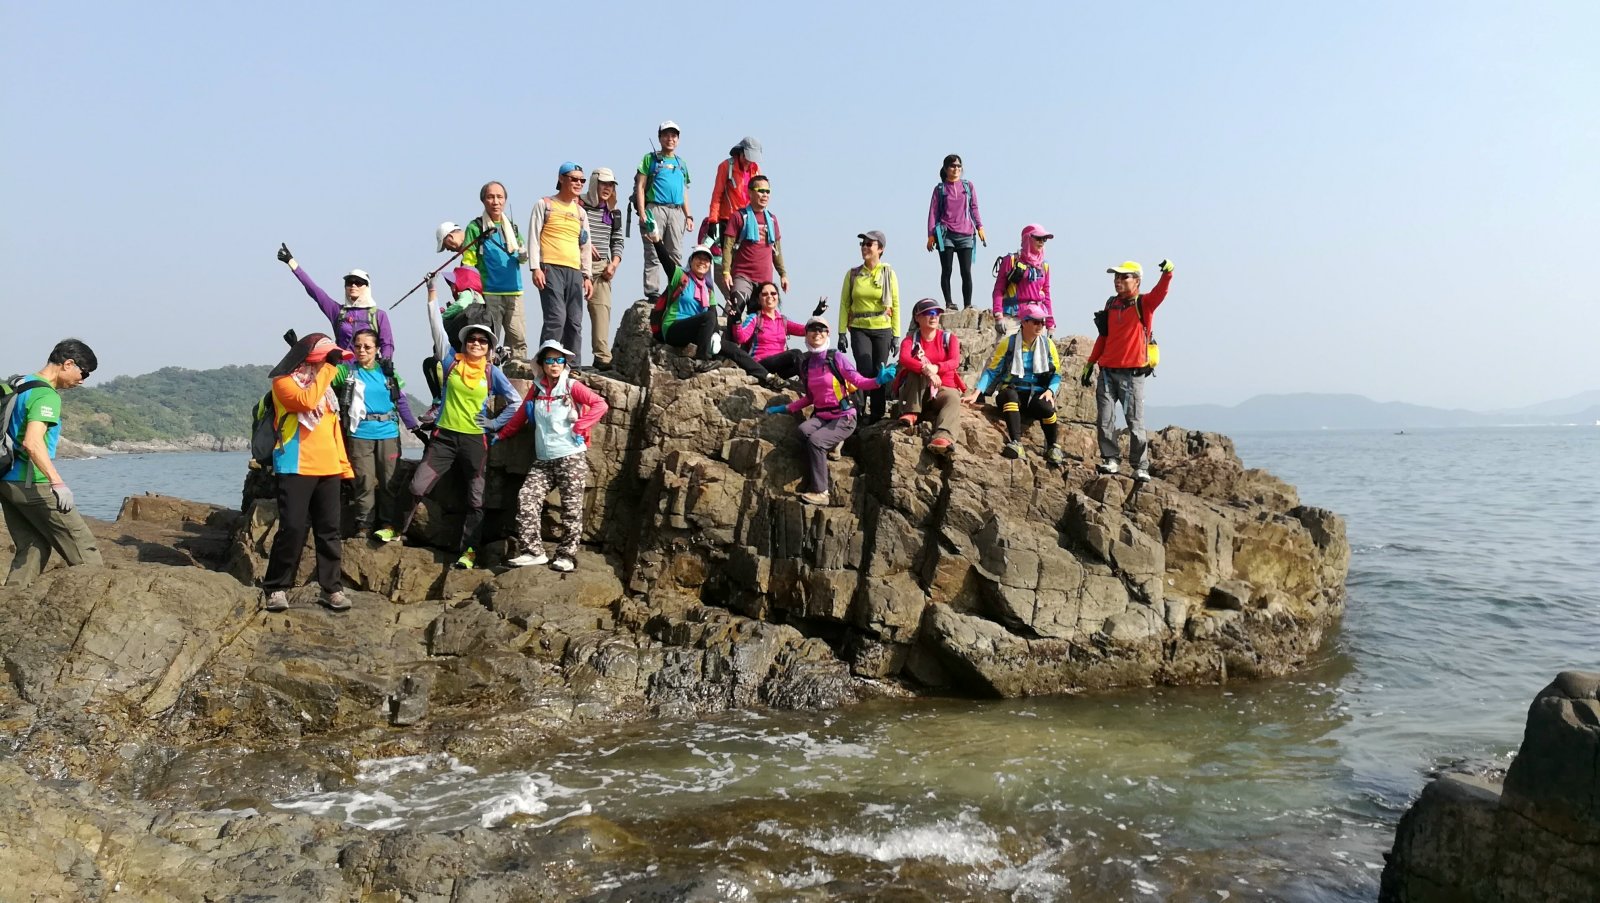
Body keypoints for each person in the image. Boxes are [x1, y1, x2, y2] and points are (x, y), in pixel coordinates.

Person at [378, 277, 521, 570]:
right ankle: (395, 528)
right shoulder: (451, 361)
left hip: (474, 440)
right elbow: (436, 326)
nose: (476, 343)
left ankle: (469, 552)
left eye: (482, 340)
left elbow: (515, 402)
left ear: (489, 346)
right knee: (417, 485)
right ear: (465, 342)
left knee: (476, 499)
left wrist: (494, 423)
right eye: (472, 339)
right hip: (444, 437)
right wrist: (432, 293)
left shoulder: (491, 373)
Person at [492, 340, 609, 572]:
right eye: (549, 360)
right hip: (543, 460)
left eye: (559, 360)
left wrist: (580, 427)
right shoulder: (536, 389)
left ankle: (566, 556)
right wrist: (502, 435)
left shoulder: (571, 385)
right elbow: (520, 417)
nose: (554, 364)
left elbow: (600, 405)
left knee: (571, 509)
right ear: (542, 364)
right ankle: (533, 551)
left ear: (564, 363)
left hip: (570, 457)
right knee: (526, 498)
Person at [260, 334, 355, 612]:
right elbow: (305, 401)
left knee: (329, 531)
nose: (330, 362)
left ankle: (331, 588)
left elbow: (334, 428)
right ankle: (276, 588)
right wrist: (328, 369)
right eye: (326, 357)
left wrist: (344, 465)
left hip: (329, 466)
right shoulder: (283, 382)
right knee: (292, 528)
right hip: (295, 464)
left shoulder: (326, 387)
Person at [0, 338, 102, 588]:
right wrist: (57, 483)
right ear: (68, 364)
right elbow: (33, 442)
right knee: (82, 547)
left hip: (5, 480)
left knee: (32, 545)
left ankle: (12, 601)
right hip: (31, 483)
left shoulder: (18, 383)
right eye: (84, 372)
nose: (83, 380)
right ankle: (95, 598)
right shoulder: (46, 395)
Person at [763, 318, 893, 505]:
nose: (817, 333)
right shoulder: (806, 364)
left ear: (827, 334)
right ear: (806, 334)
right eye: (812, 329)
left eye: (822, 329)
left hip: (843, 417)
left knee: (816, 442)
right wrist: (784, 408)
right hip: (822, 417)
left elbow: (858, 381)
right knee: (802, 431)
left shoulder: (835, 358)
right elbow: (809, 398)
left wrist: (878, 381)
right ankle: (831, 445)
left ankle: (821, 491)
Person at [1082, 259, 1174, 482]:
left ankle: (1140, 466)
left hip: (1132, 374)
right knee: (1105, 419)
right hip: (1106, 370)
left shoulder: (1144, 303)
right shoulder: (1111, 304)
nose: (1118, 280)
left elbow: (1161, 292)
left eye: (1124, 276)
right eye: (1116, 277)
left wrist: (1167, 274)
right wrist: (1090, 363)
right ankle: (1111, 459)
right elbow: (1103, 337)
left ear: (1137, 281)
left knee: (1135, 422)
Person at [332, 329, 420, 540]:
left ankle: (388, 524)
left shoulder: (387, 372)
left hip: (388, 432)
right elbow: (322, 376)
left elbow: (401, 400)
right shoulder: (346, 371)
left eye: (367, 347)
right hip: (359, 432)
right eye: (358, 346)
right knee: (364, 480)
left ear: (377, 349)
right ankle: (364, 524)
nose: (362, 350)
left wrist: (414, 426)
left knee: (389, 480)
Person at [649, 237, 771, 381]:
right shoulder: (680, 277)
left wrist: (716, 336)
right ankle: (702, 360)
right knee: (708, 316)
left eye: (706, 260)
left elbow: (713, 317)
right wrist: (657, 241)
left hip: (695, 331)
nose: (702, 262)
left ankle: (767, 376)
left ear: (710, 265)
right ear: (691, 261)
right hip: (673, 329)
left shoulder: (708, 291)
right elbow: (666, 261)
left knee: (732, 348)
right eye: (698, 258)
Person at [968, 302, 1065, 464]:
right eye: (1036, 321)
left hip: (1036, 392)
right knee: (1010, 395)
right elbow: (992, 371)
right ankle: (1016, 443)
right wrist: (976, 393)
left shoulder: (1048, 345)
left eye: (1042, 322)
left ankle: (1053, 447)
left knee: (1047, 408)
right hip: (1012, 390)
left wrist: (1050, 391)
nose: (1041, 325)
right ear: (1024, 322)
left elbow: (1056, 374)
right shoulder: (1009, 343)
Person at [276, 244, 395, 358]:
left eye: (358, 283)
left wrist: (386, 361)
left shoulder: (379, 315)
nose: (353, 285)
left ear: (367, 287)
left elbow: (387, 344)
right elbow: (314, 291)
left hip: (369, 369)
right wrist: (291, 262)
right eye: (349, 282)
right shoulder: (338, 312)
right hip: (342, 369)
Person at [528, 162, 594, 364]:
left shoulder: (580, 212)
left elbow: (585, 245)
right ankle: (547, 362)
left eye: (582, 180)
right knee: (556, 317)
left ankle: (573, 366)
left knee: (574, 320)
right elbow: (533, 236)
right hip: (550, 267)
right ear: (561, 179)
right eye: (574, 179)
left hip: (574, 270)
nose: (578, 183)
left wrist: (587, 275)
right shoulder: (545, 204)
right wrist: (535, 267)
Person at [463, 181, 530, 360]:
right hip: (489, 292)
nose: (495, 201)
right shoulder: (475, 227)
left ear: (505, 200)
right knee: (489, 341)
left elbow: (522, 255)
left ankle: (517, 374)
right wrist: (470, 291)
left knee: (518, 340)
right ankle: (488, 374)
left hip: (515, 291)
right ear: (483, 200)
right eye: (490, 197)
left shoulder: (512, 227)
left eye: (499, 197)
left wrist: (524, 255)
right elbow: (468, 261)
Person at [838, 230, 900, 423]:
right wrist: (841, 332)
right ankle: (859, 411)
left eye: (869, 244)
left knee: (880, 371)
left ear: (880, 249)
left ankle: (877, 414)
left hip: (883, 328)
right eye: (862, 244)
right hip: (859, 327)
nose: (864, 247)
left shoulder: (888, 273)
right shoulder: (853, 274)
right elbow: (844, 304)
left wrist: (896, 336)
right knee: (864, 369)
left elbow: (895, 304)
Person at [894, 299, 966, 456]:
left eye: (937, 313)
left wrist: (937, 368)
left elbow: (954, 361)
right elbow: (904, 359)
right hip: (919, 391)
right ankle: (911, 412)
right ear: (917, 318)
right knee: (914, 372)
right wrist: (926, 370)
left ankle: (943, 437)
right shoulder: (910, 340)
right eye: (928, 313)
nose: (934, 316)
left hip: (943, 387)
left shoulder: (949, 338)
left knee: (953, 398)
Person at [634, 121, 693, 300]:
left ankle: (674, 289)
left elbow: (684, 191)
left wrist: (689, 215)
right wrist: (642, 212)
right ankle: (652, 291)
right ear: (660, 138)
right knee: (652, 251)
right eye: (666, 135)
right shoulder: (650, 159)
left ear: (678, 139)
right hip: (655, 209)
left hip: (676, 211)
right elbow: (641, 186)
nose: (670, 139)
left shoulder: (681, 163)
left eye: (674, 135)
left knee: (675, 253)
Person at [720, 174, 789, 313]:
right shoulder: (738, 216)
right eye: (761, 191)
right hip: (742, 275)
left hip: (764, 280)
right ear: (750, 192)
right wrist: (726, 272)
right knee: (735, 310)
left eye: (768, 191)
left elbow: (777, 250)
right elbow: (727, 247)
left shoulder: (772, 220)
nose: (765, 195)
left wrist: (783, 274)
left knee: (759, 319)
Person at [733, 282, 825, 383]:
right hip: (762, 366)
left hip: (781, 368)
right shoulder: (755, 318)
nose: (769, 296)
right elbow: (741, 338)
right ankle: (812, 386)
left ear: (778, 297)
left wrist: (816, 316)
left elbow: (805, 330)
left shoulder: (782, 320)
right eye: (765, 294)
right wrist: (736, 321)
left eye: (773, 293)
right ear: (759, 299)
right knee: (796, 354)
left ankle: (820, 383)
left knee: (819, 354)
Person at [926, 154, 986, 310]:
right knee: (947, 270)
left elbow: (974, 208)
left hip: (966, 234)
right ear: (946, 169)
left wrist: (980, 227)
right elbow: (933, 212)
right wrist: (930, 235)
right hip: (945, 234)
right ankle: (949, 302)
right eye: (953, 166)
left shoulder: (968, 186)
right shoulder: (940, 189)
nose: (956, 169)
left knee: (966, 271)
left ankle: (967, 304)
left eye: (959, 166)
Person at [705, 137, 762, 300]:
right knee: (728, 265)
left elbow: (760, 196)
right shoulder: (726, 166)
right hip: (728, 221)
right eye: (748, 157)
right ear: (741, 152)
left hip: (749, 222)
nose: (749, 161)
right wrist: (713, 220)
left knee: (746, 263)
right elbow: (717, 194)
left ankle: (742, 300)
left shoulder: (756, 169)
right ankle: (732, 300)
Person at [581, 167, 625, 369]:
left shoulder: (614, 212)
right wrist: (585, 244)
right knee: (570, 314)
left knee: (602, 310)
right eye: (603, 184)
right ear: (594, 184)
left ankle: (601, 356)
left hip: (601, 267)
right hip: (575, 263)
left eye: (611, 185)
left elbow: (617, 241)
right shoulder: (579, 205)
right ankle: (564, 356)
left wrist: (613, 264)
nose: (607, 188)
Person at [991, 224, 1055, 337]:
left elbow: (1046, 294)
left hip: (1037, 318)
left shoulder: (1044, 266)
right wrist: (998, 315)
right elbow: (998, 289)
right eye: (1038, 238)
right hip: (1013, 317)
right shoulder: (1011, 260)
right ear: (1027, 238)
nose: (1041, 242)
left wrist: (1050, 324)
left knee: (1038, 349)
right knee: (1006, 347)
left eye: (1044, 239)